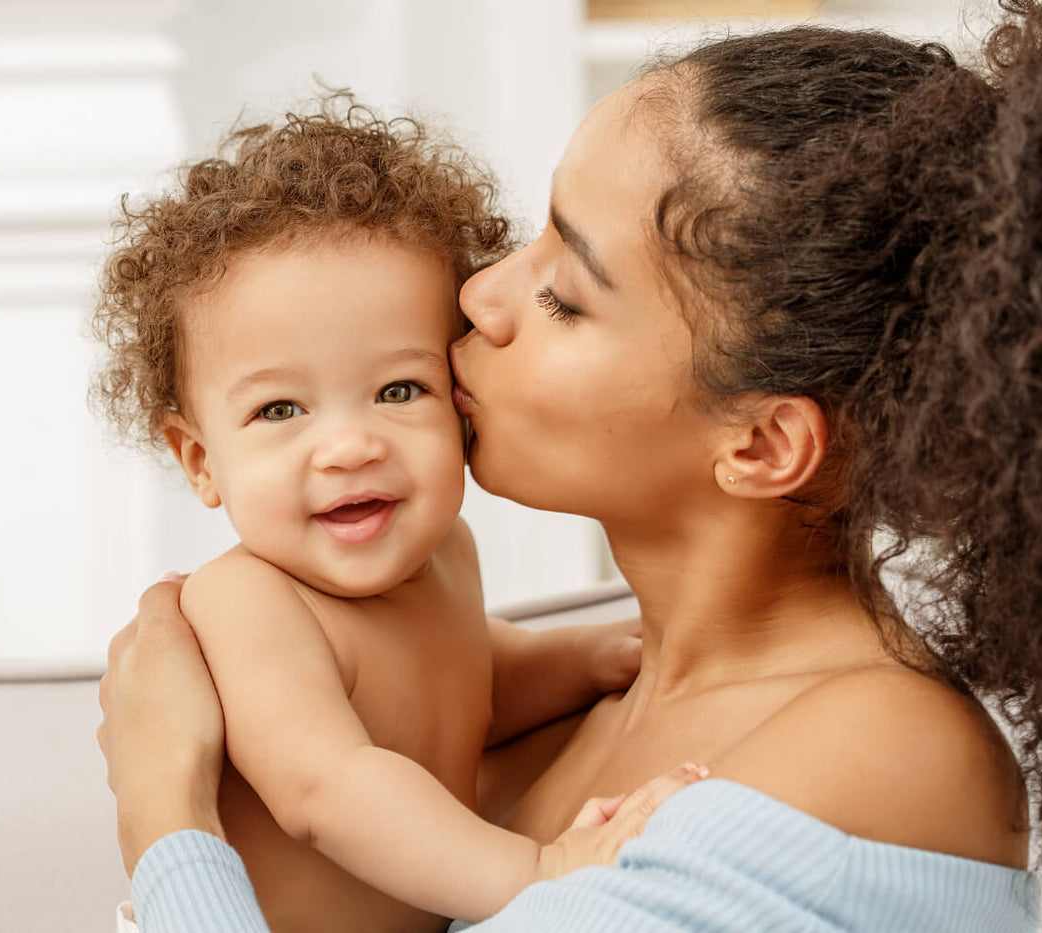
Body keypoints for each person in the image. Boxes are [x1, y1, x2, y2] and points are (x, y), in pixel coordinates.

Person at [98, 0, 1042, 930]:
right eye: (531, 240)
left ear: (758, 443)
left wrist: (165, 816)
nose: (476, 296)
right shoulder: (589, 697)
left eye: (565, 294)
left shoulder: (878, 753)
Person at [88, 101, 678, 932]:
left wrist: (581, 658)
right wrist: (540, 870)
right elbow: (329, 786)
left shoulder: (448, 553)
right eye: (281, 409)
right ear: (199, 459)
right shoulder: (245, 605)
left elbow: (464, 678)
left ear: (460, 398)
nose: (348, 447)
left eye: (399, 390)